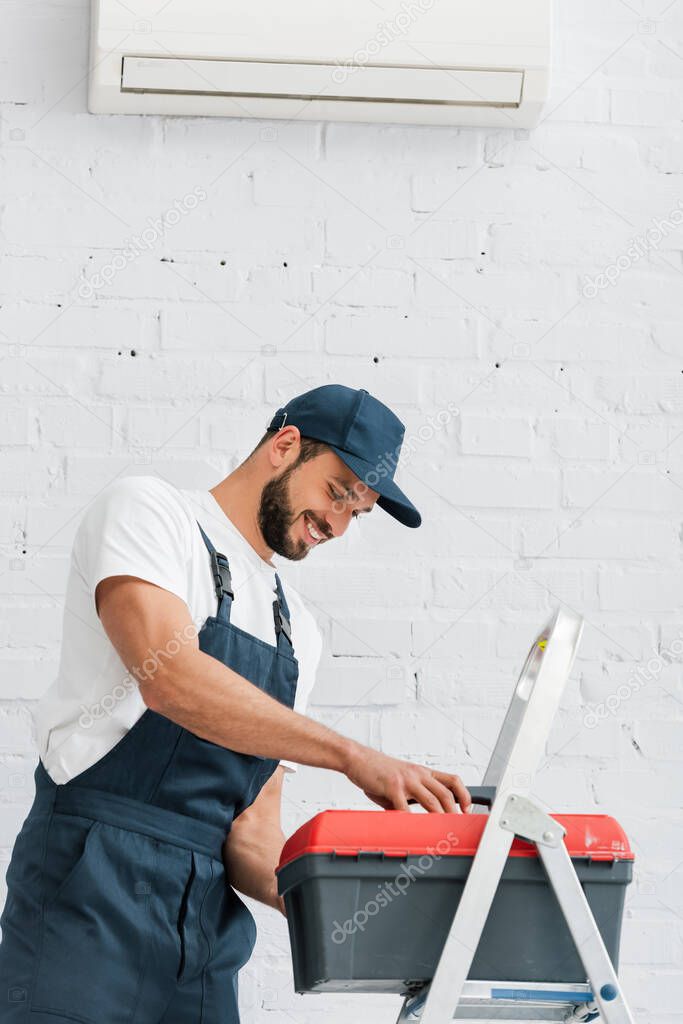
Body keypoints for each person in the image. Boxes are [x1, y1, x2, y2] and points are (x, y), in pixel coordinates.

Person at [0, 384, 471, 1023]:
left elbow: (249, 833)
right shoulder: (150, 514)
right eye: (337, 492)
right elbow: (168, 679)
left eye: (356, 513)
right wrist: (350, 756)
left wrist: (346, 905)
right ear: (285, 445)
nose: (336, 525)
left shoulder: (296, 631)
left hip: (202, 929)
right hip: (86, 893)